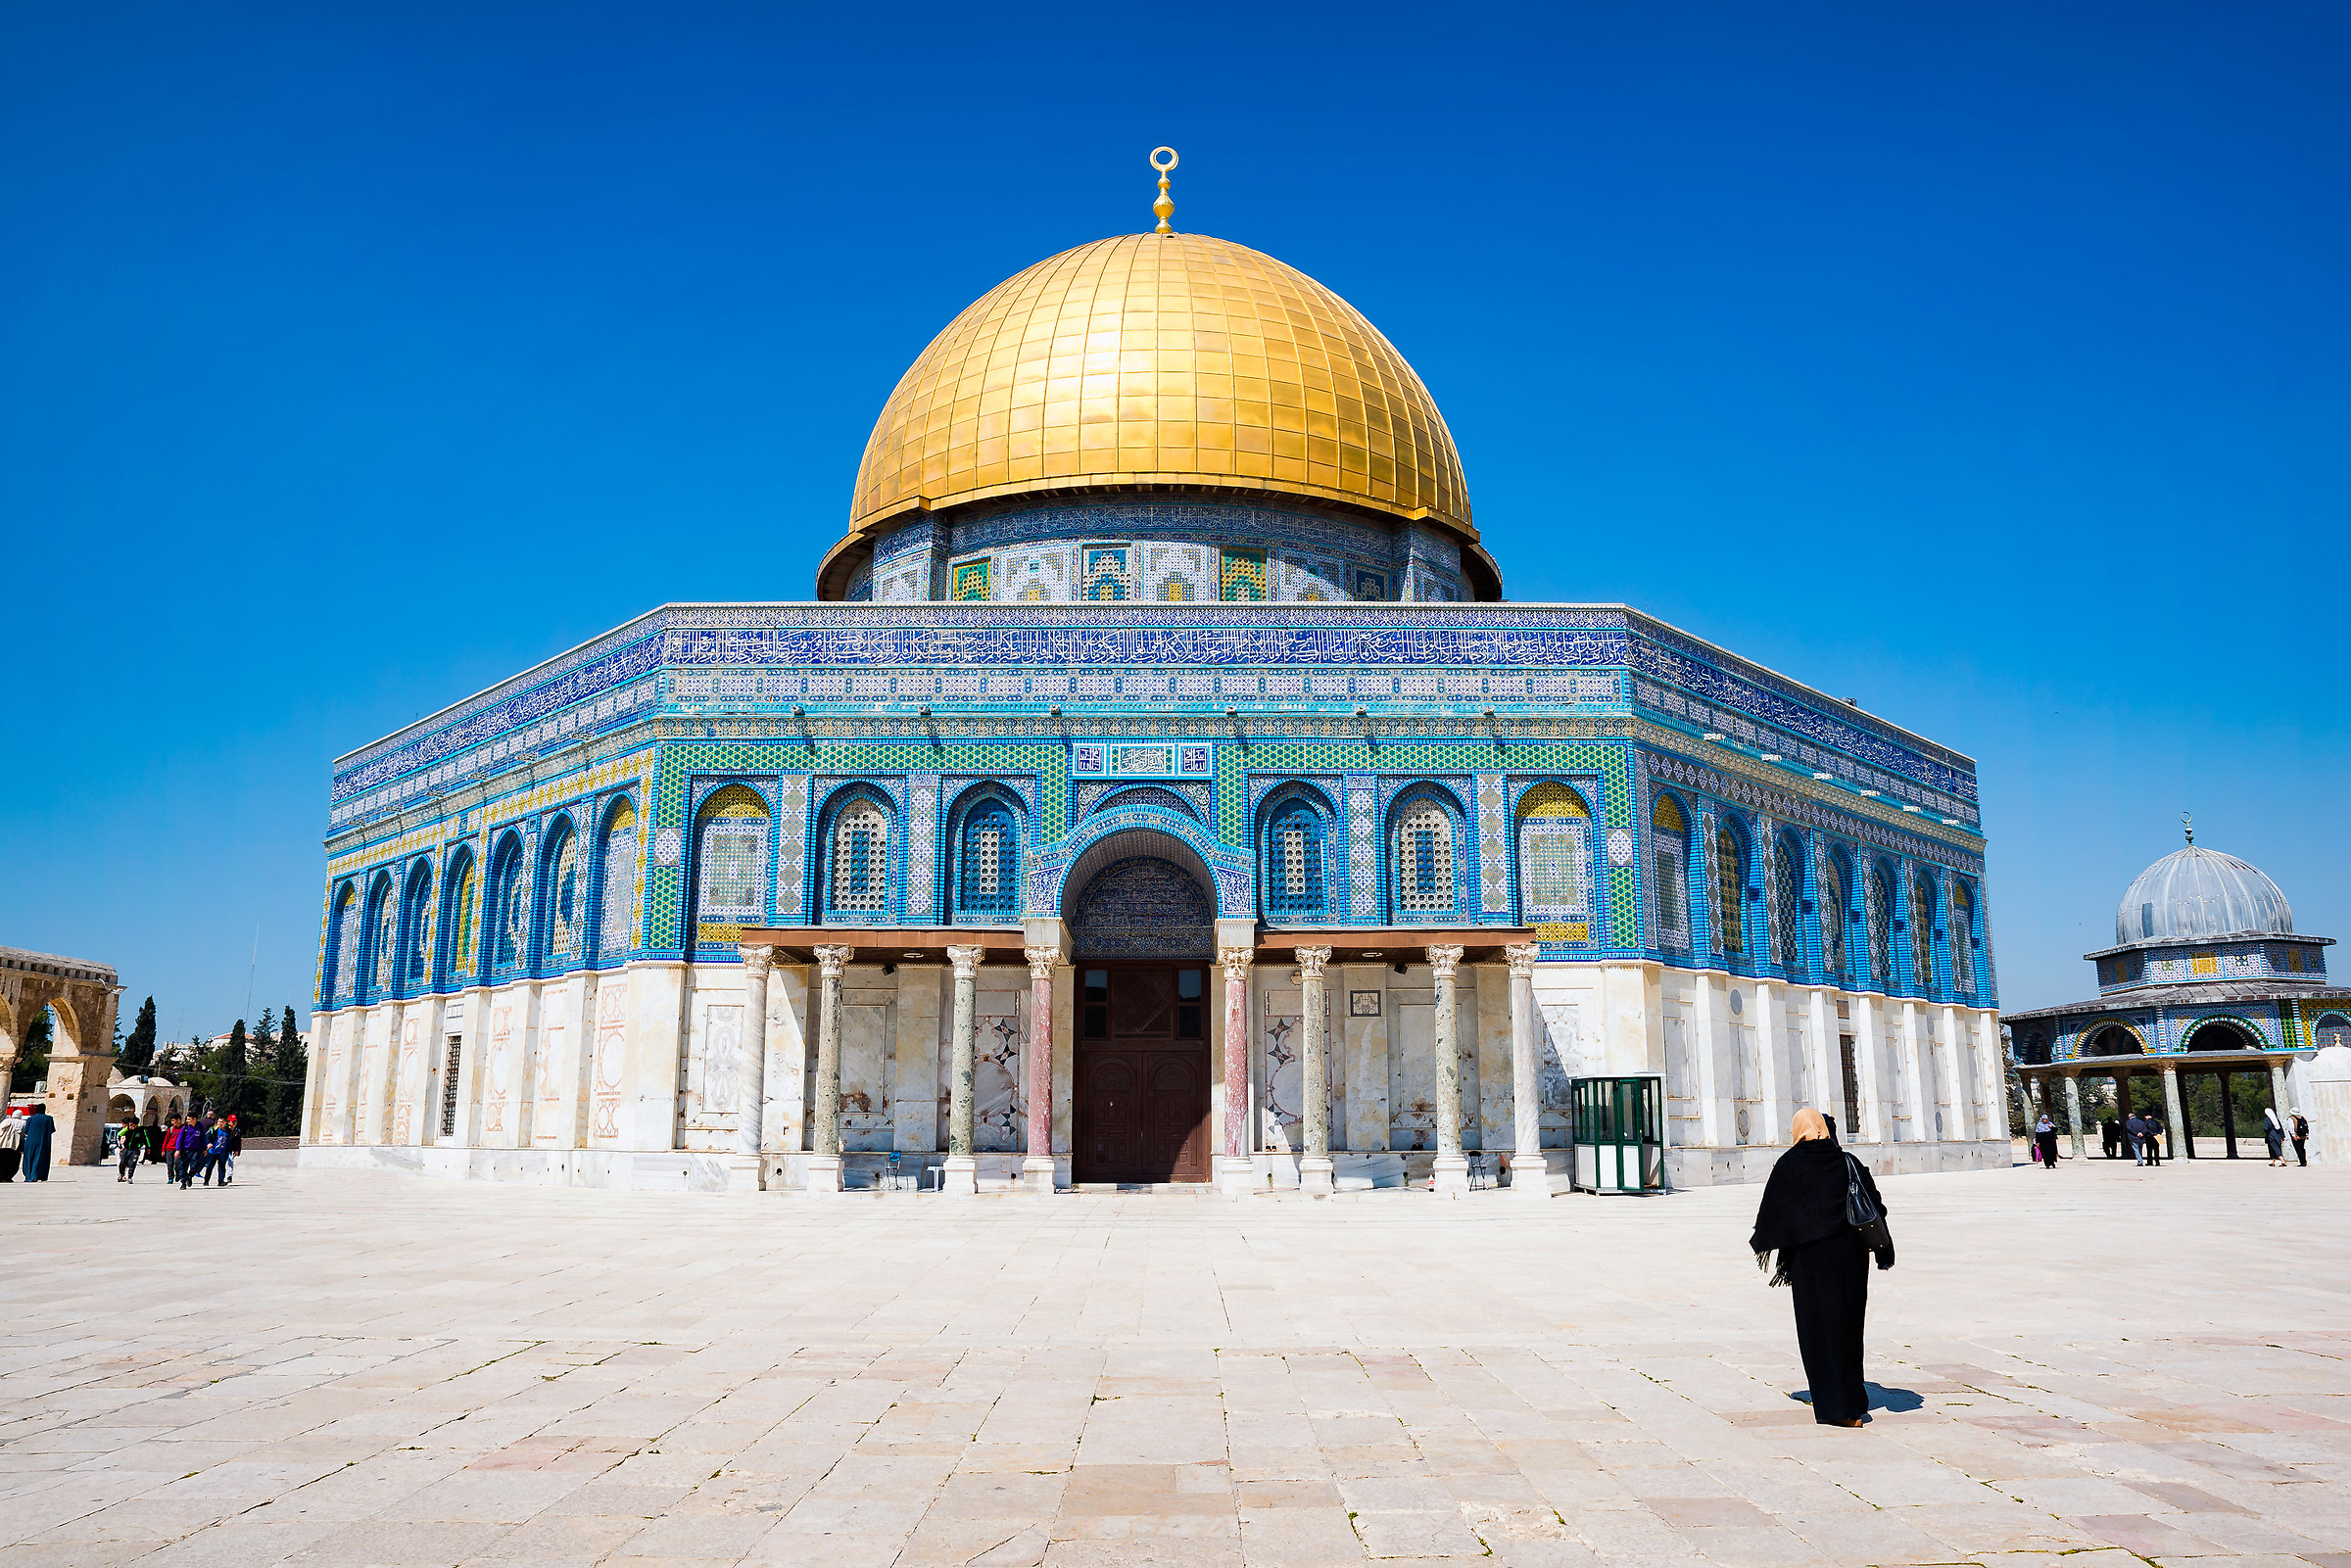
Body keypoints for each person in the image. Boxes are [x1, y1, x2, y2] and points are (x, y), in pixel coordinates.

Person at [1750, 1110, 1884, 1428]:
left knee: (1819, 1332)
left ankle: (1836, 1408)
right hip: (1852, 1261)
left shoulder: (1790, 1165)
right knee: (1849, 1328)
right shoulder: (1846, 1161)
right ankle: (1854, 1399)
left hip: (1811, 1264)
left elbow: (1773, 1214)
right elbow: (1876, 1204)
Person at [20, 1105, 56, 1182]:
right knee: (40, 1158)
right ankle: (38, 1175)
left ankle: (29, 1176)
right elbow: (51, 1130)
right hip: (43, 1141)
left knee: (30, 1157)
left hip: (30, 1141)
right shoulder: (49, 1119)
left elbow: (25, 1130)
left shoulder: (31, 1119)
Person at [117, 1118, 141, 1182]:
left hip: (135, 1149)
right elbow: (120, 1134)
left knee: (132, 1164)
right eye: (130, 1125)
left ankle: (130, 1177)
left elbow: (145, 1138)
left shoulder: (140, 1130)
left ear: (136, 1125)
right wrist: (127, 1128)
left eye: (132, 1125)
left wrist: (148, 1147)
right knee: (122, 1162)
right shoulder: (127, 1130)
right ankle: (121, 1174)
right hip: (126, 1148)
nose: (131, 1126)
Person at [0, 1112, 21, 1182]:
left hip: (3, 1145)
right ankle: (8, 1177)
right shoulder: (22, 1123)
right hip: (14, 1146)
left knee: (2, 1163)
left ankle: (2, 1177)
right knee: (12, 1163)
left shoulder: (6, 1121)